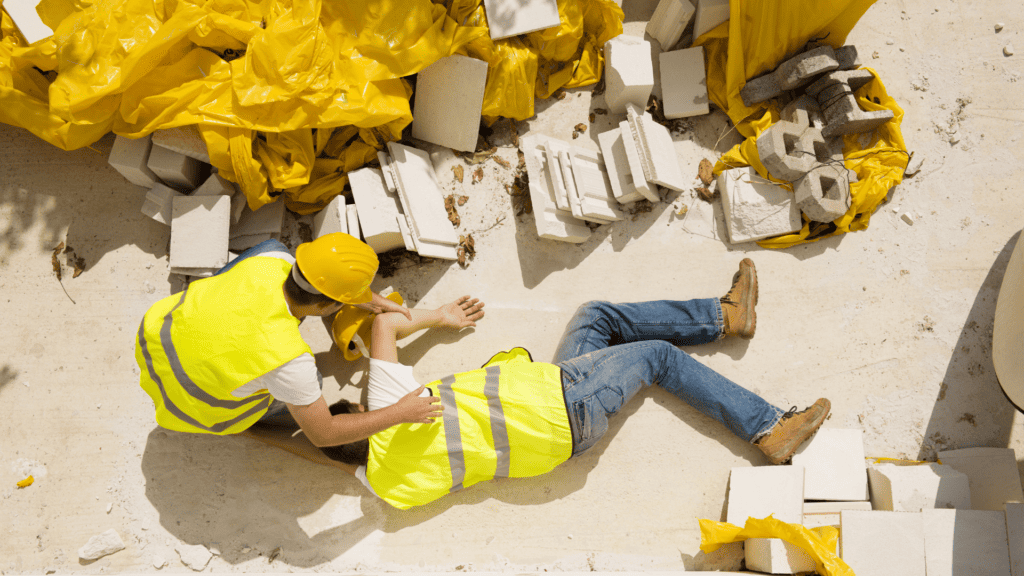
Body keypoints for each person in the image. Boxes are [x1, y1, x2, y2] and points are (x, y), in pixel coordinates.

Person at [319, 259, 831, 510]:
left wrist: (297, 432)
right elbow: (384, 326)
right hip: (561, 402)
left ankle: (726, 316)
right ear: (360, 414)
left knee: (595, 318)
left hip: (555, 431)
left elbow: (323, 444)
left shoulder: (388, 489)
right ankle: (768, 427)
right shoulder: (387, 407)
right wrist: (436, 315)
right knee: (656, 357)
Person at [134, 232, 442, 447]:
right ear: (330, 306)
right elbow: (325, 434)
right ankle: (253, 422)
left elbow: (314, 283)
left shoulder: (271, 258)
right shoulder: (289, 361)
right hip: (192, 407)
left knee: (264, 247)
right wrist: (400, 413)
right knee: (313, 384)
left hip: (155, 339)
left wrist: (367, 300)